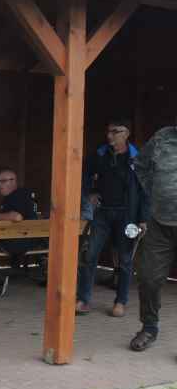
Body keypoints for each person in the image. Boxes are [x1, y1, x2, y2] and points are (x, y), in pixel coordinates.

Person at [76, 120, 149, 317]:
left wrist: (143, 219)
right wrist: (90, 192)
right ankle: (83, 299)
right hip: (102, 213)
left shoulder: (137, 158)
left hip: (128, 216)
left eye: (115, 132)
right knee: (90, 255)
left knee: (125, 259)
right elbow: (84, 174)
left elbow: (145, 191)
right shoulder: (100, 155)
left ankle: (120, 302)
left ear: (126, 134)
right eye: (109, 131)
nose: (110, 135)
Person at [128, 125, 177, 352]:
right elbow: (140, 165)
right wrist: (155, 192)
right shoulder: (162, 137)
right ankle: (149, 327)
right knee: (148, 277)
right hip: (159, 223)